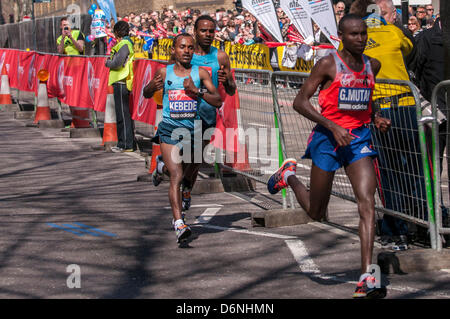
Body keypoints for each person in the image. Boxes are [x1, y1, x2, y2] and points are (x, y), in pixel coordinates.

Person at [267, 14, 390, 299]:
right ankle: (290, 176)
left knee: (367, 202)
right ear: (341, 36)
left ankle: (366, 277)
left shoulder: (373, 65)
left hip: (357, 139)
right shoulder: (327, 64)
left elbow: (366, 98)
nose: (360, 39)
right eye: (354, 34)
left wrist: (378, 117)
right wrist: (332, 126)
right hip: (327, 139)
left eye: (363, 34)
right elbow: (300, 102)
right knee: (316, 213)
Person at [152, 15, 236, 213]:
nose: (208, 35)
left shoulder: (220, 56)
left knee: (195, 162)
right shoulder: (184, 53)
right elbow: (168, 79)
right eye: (203, 31)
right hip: (181, 119)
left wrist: (227, 81)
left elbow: (231, 90)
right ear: (195, 32)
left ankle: (184, 188)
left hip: (207, 117)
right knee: (180, 164)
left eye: (211, 31)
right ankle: (169, 174)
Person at [143, 33, 222, 244]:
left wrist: (197, 91)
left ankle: (161, 168)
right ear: (174, 50)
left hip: (192, 131)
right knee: (177, 176)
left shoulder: (201, 73)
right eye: (182, 47)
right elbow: (146, 92)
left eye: (190, 48)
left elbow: (218, 100)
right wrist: (152, 88)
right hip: (169, 130)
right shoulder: (164, 72)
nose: (186, 51)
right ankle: (179, 223)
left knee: (187, 170)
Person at [105, 21, 136, 153]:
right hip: (120, 81)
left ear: (117, 32)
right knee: (122, 114)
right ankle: (124, 143)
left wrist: (108, 63)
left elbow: (118, 63)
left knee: (122, 115)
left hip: (122, 81)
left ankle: (125, 144)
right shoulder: (125, 43)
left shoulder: (124, 44)